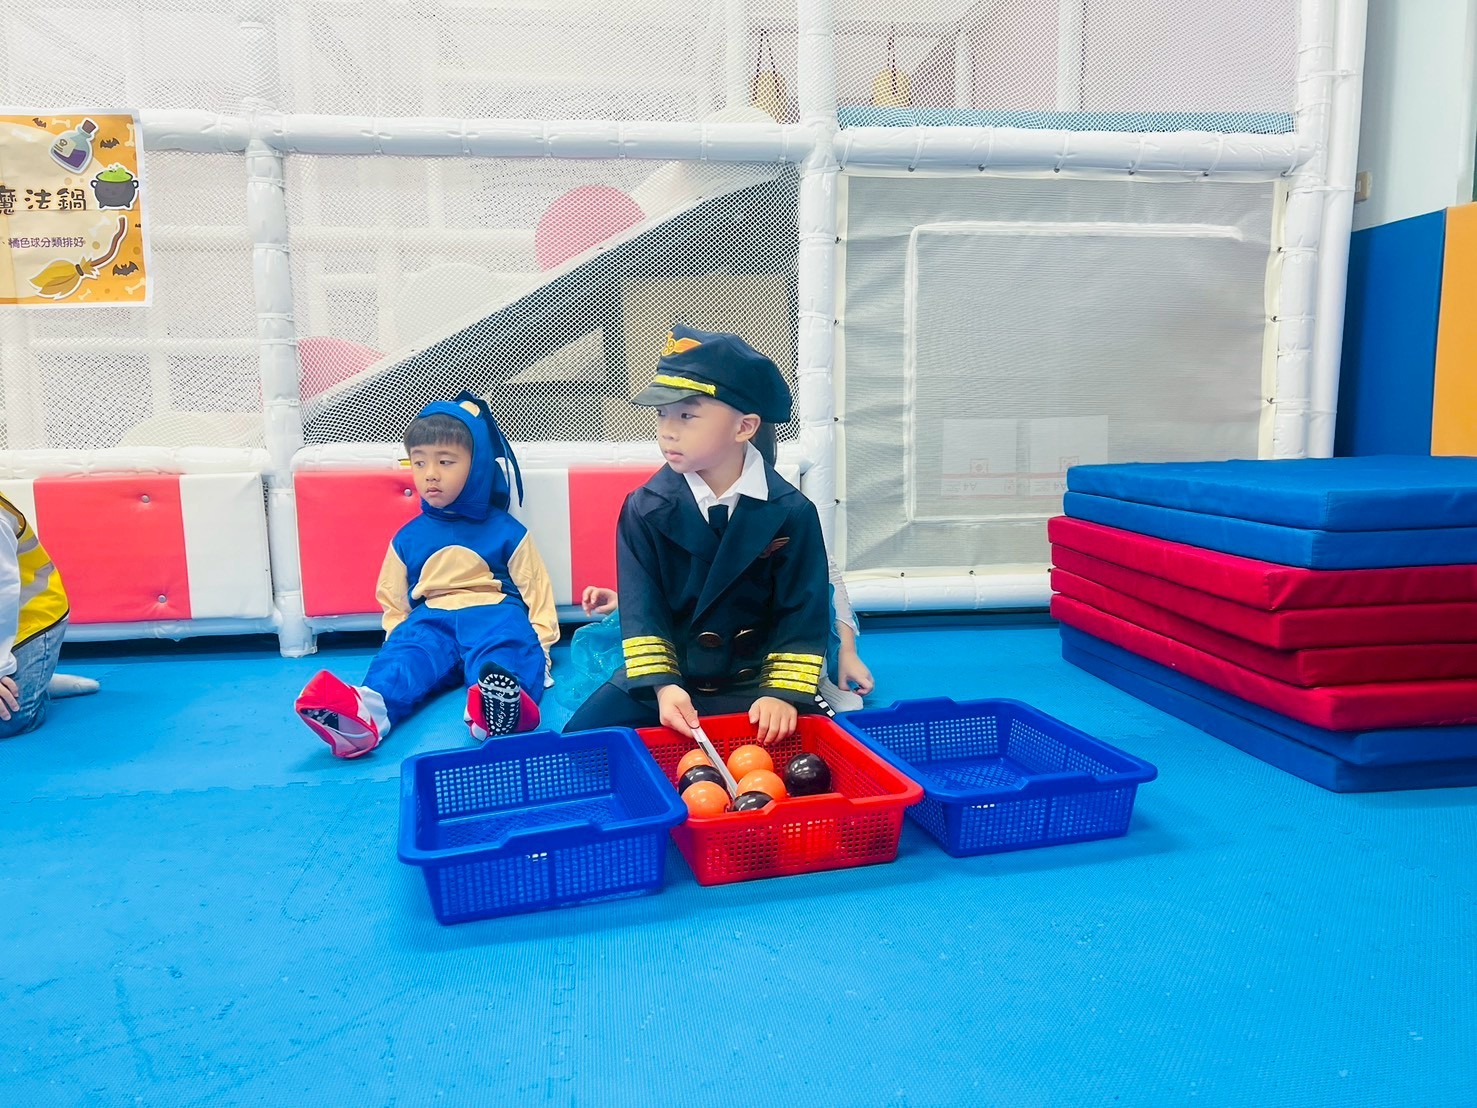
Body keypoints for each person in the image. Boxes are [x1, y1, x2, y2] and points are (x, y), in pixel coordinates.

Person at [563, 324, 832, 742]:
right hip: (672, 677)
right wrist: (663, 686)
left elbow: (802, 610)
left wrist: (781, 693)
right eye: (662, 414)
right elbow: (642, 609)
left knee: (815, 754)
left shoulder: (793, 513)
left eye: (687, 415)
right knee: (581, 745)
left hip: (756, 681)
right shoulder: (643, 508)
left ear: (744, 427)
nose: (667, 430)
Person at [294, 394, 557, 757]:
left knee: (504, 655)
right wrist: (399, 638)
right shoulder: (408, 538)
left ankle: (495, 712)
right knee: (406, 660)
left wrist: (542, 647)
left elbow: (536, 590)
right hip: (431, 619)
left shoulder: (508, 532)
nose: (430, 473)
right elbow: (392, 598)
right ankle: (364, 716)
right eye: (419, 463)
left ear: (477, 466)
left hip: (494, 613)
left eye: (445, 462)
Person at [569, 554, 875, 713]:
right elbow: (675, 591)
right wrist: (623, 603)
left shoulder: (788, 514)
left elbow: (829, 584)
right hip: (701, 652)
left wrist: (847, 652)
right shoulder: (681, 513)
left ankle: (814, 684)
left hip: (768, 648)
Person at [1, 493, 99, 737]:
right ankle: (32, 678)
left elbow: (3, 597)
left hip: (28, 621)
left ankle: (33, 684)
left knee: (7, 718)